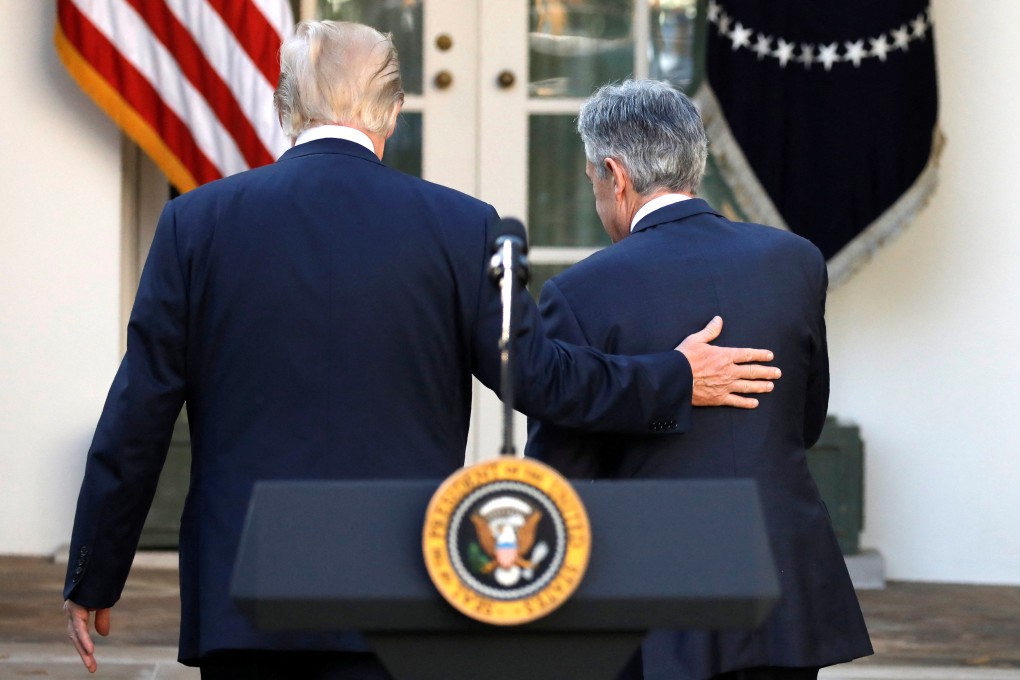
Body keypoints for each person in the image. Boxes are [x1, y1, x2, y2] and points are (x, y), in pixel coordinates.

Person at [62, 24, 781, 679]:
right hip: (400, 588)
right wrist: (674, 377)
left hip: (243, 593)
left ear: (285, 108)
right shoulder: (464, 227)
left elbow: (138, 415)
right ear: (394, 112)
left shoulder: (195, 222)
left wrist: (95, 573)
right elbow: (541, 378)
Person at [526, 79, 873, 680]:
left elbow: (564, 469)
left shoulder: (578, 293)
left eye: (592, 185)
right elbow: (803, 421)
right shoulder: (795, 261)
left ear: (616, 175)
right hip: (783, 577)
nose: (598, 201)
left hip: (656, 588)